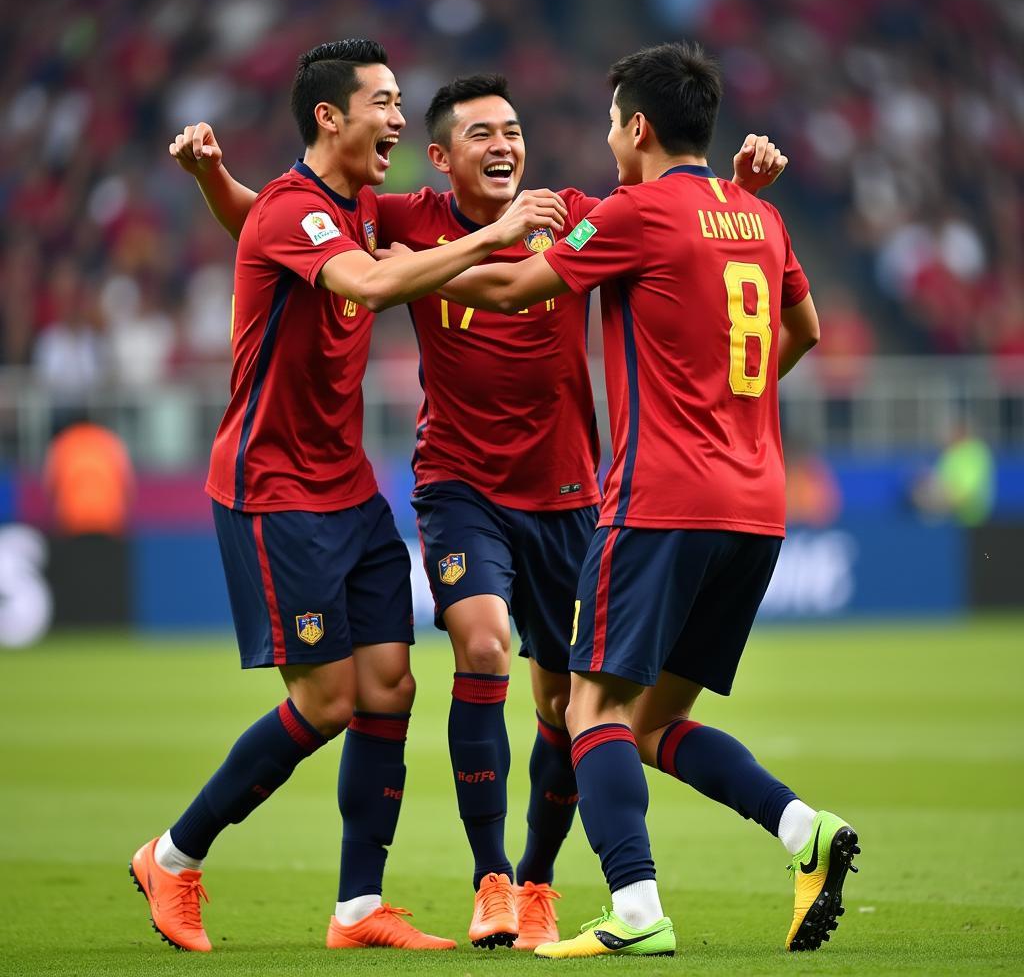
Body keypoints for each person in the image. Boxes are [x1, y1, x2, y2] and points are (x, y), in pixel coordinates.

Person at [171, 75, 788, 950]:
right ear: (442, 157)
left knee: (561, 701)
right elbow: (283, 235)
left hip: (571, 492)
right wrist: (213, 180)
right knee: (484, 642)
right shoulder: (404, 219)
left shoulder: (572, 213)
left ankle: (538, 881)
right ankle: (491, 879)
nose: (504, 145)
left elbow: (673, 229)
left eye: (514, 129)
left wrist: (743, 191)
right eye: (483, 134)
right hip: (458, 485)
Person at [131, 39, 567, 955]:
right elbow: (361, 280)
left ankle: (358, 908)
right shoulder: (304, 210)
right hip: (270, 489)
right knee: (328, 700)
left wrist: (214, 180)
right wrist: (490, 235)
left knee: (390, 685)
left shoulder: (355, 205)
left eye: (405, 102)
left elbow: (258, 222)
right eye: (385, 102)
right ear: (331, 115)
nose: (401, 119)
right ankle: (173, 856)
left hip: (347, 488)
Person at [435, 42, 859, 959]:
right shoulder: (759, 215)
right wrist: (726, 401)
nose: (606, 140)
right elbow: (806, 329)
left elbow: (514, 289)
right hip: (757, 506)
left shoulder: (635, 213)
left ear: (636, 127)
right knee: (653, 721)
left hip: (660, 502)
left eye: (609, 123)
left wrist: (399, 266)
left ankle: (633, 907)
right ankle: (802, 832)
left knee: (588, 711)